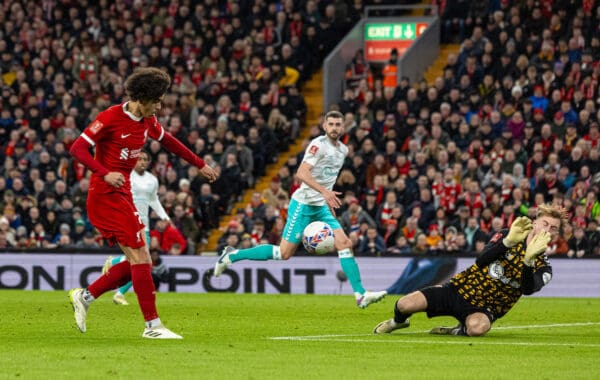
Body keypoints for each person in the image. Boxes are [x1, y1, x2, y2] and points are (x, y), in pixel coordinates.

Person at [68, 67, 218, 339]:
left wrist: (200, 164)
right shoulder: (110, 117)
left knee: (142, 259)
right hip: (104, 194)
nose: (160, 107)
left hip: (121, 193)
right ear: (142, 98)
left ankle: (86, 296)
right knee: (140, 257)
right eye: (157, 101)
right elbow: (77, 148)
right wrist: (105, 172)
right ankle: (152, 327)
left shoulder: (147, 120)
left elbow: (171, 142)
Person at [213, 110, 387, 308]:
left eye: (338, 125)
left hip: (321, 205)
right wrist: (325, 192)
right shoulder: (317, 145)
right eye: (331, 124)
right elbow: (301, 173)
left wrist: (327, 199)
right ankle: (232, 256)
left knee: (345, 243)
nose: (334, 128)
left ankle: (361, 294)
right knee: (283, 254)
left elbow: (327, 179)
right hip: (303, 205)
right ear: (324, 126)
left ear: (343, 127)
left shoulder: (343, 151)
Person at [374, 204, 568, 336]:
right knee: (403, 305)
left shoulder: (544, 267)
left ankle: (457, 330)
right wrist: (508, 242)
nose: (547, 230)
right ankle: (397, 323)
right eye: (545, 223)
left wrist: (528, 261)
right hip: (457, 290)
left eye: (553, 228)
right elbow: (481, 261)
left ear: (556, 234)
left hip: (485, 308)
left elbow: (527, 289)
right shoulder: (509, 234)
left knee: (477, 329)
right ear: (535, 222)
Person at [101, 150, 170, 306]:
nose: (142, 162)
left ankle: (119, 287)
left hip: (144, 224)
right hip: (128, 220)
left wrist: (164, 216)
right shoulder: (125, 176)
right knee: (142, 260)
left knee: (143, 261)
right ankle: (119, 290)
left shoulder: (152, 180)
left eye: (145, 159)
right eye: (139, 159)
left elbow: (154, 200)